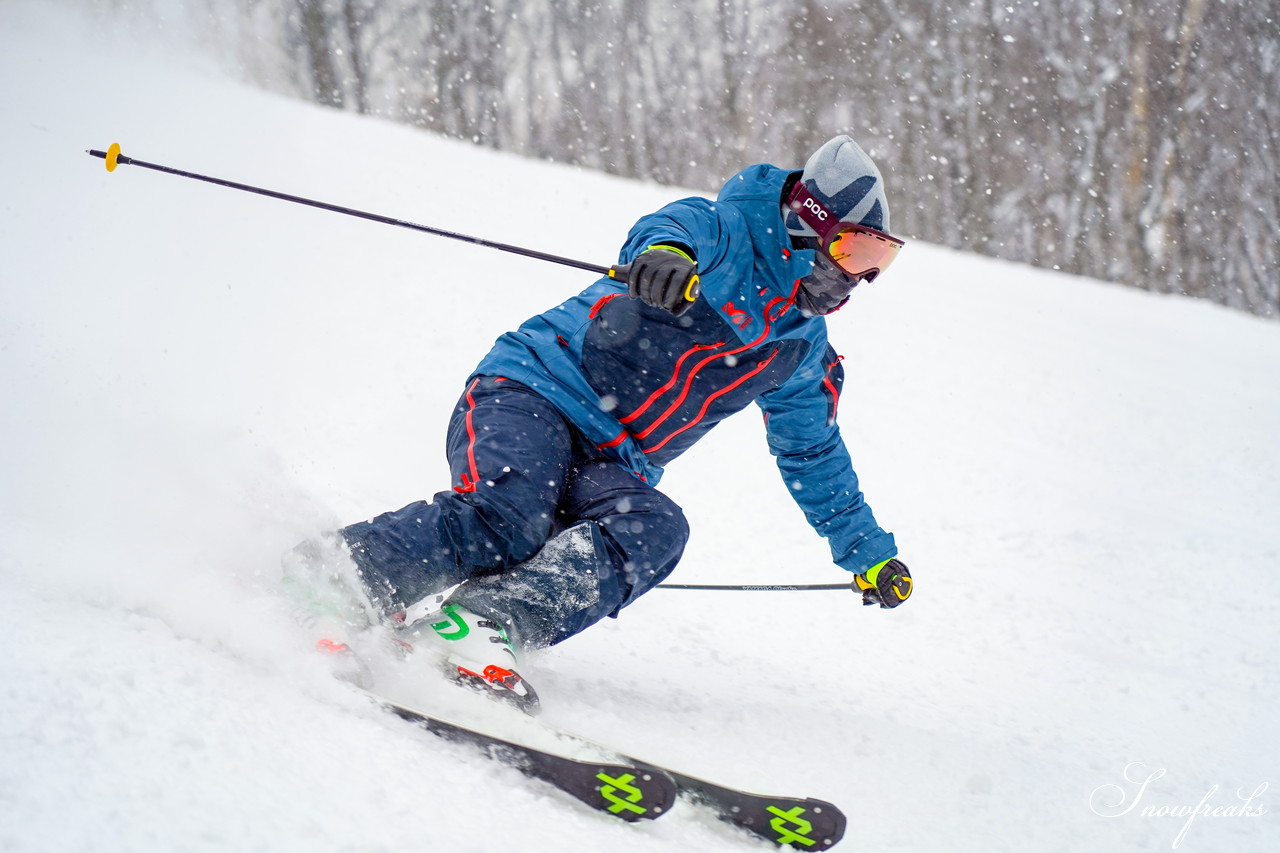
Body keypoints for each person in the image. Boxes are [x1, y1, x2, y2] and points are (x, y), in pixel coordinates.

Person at [286, 134, 913, 713]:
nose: (862, 276)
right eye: (856, 249)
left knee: (654, 527)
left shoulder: (800, 346)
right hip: (534, 390)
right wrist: (664, 260)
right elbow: (668, 228)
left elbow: (811, 452)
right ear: (806, 227)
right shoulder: (723, 232)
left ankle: (477, 625)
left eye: (879, 257)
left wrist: (868, 554)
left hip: (613, 460)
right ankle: (332, 575)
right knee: (511, 515)